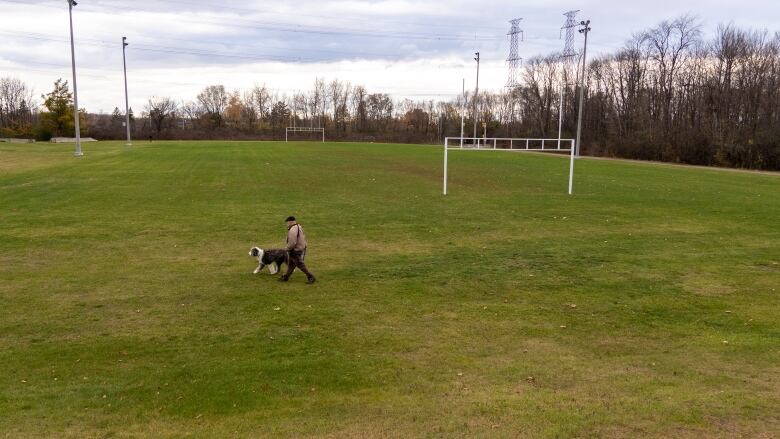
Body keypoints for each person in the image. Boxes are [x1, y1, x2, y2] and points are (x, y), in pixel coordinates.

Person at [280, 216, 316, 284]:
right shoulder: (298, 226)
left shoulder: (292, 230)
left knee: (300, 265)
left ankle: (311, 276)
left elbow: (292, 243)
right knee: (291, 264)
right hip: (301, 248)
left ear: (290, 222)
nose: (287, 224)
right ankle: (286, 277)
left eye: (287, 222)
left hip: (295, 250)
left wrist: (287, 249)